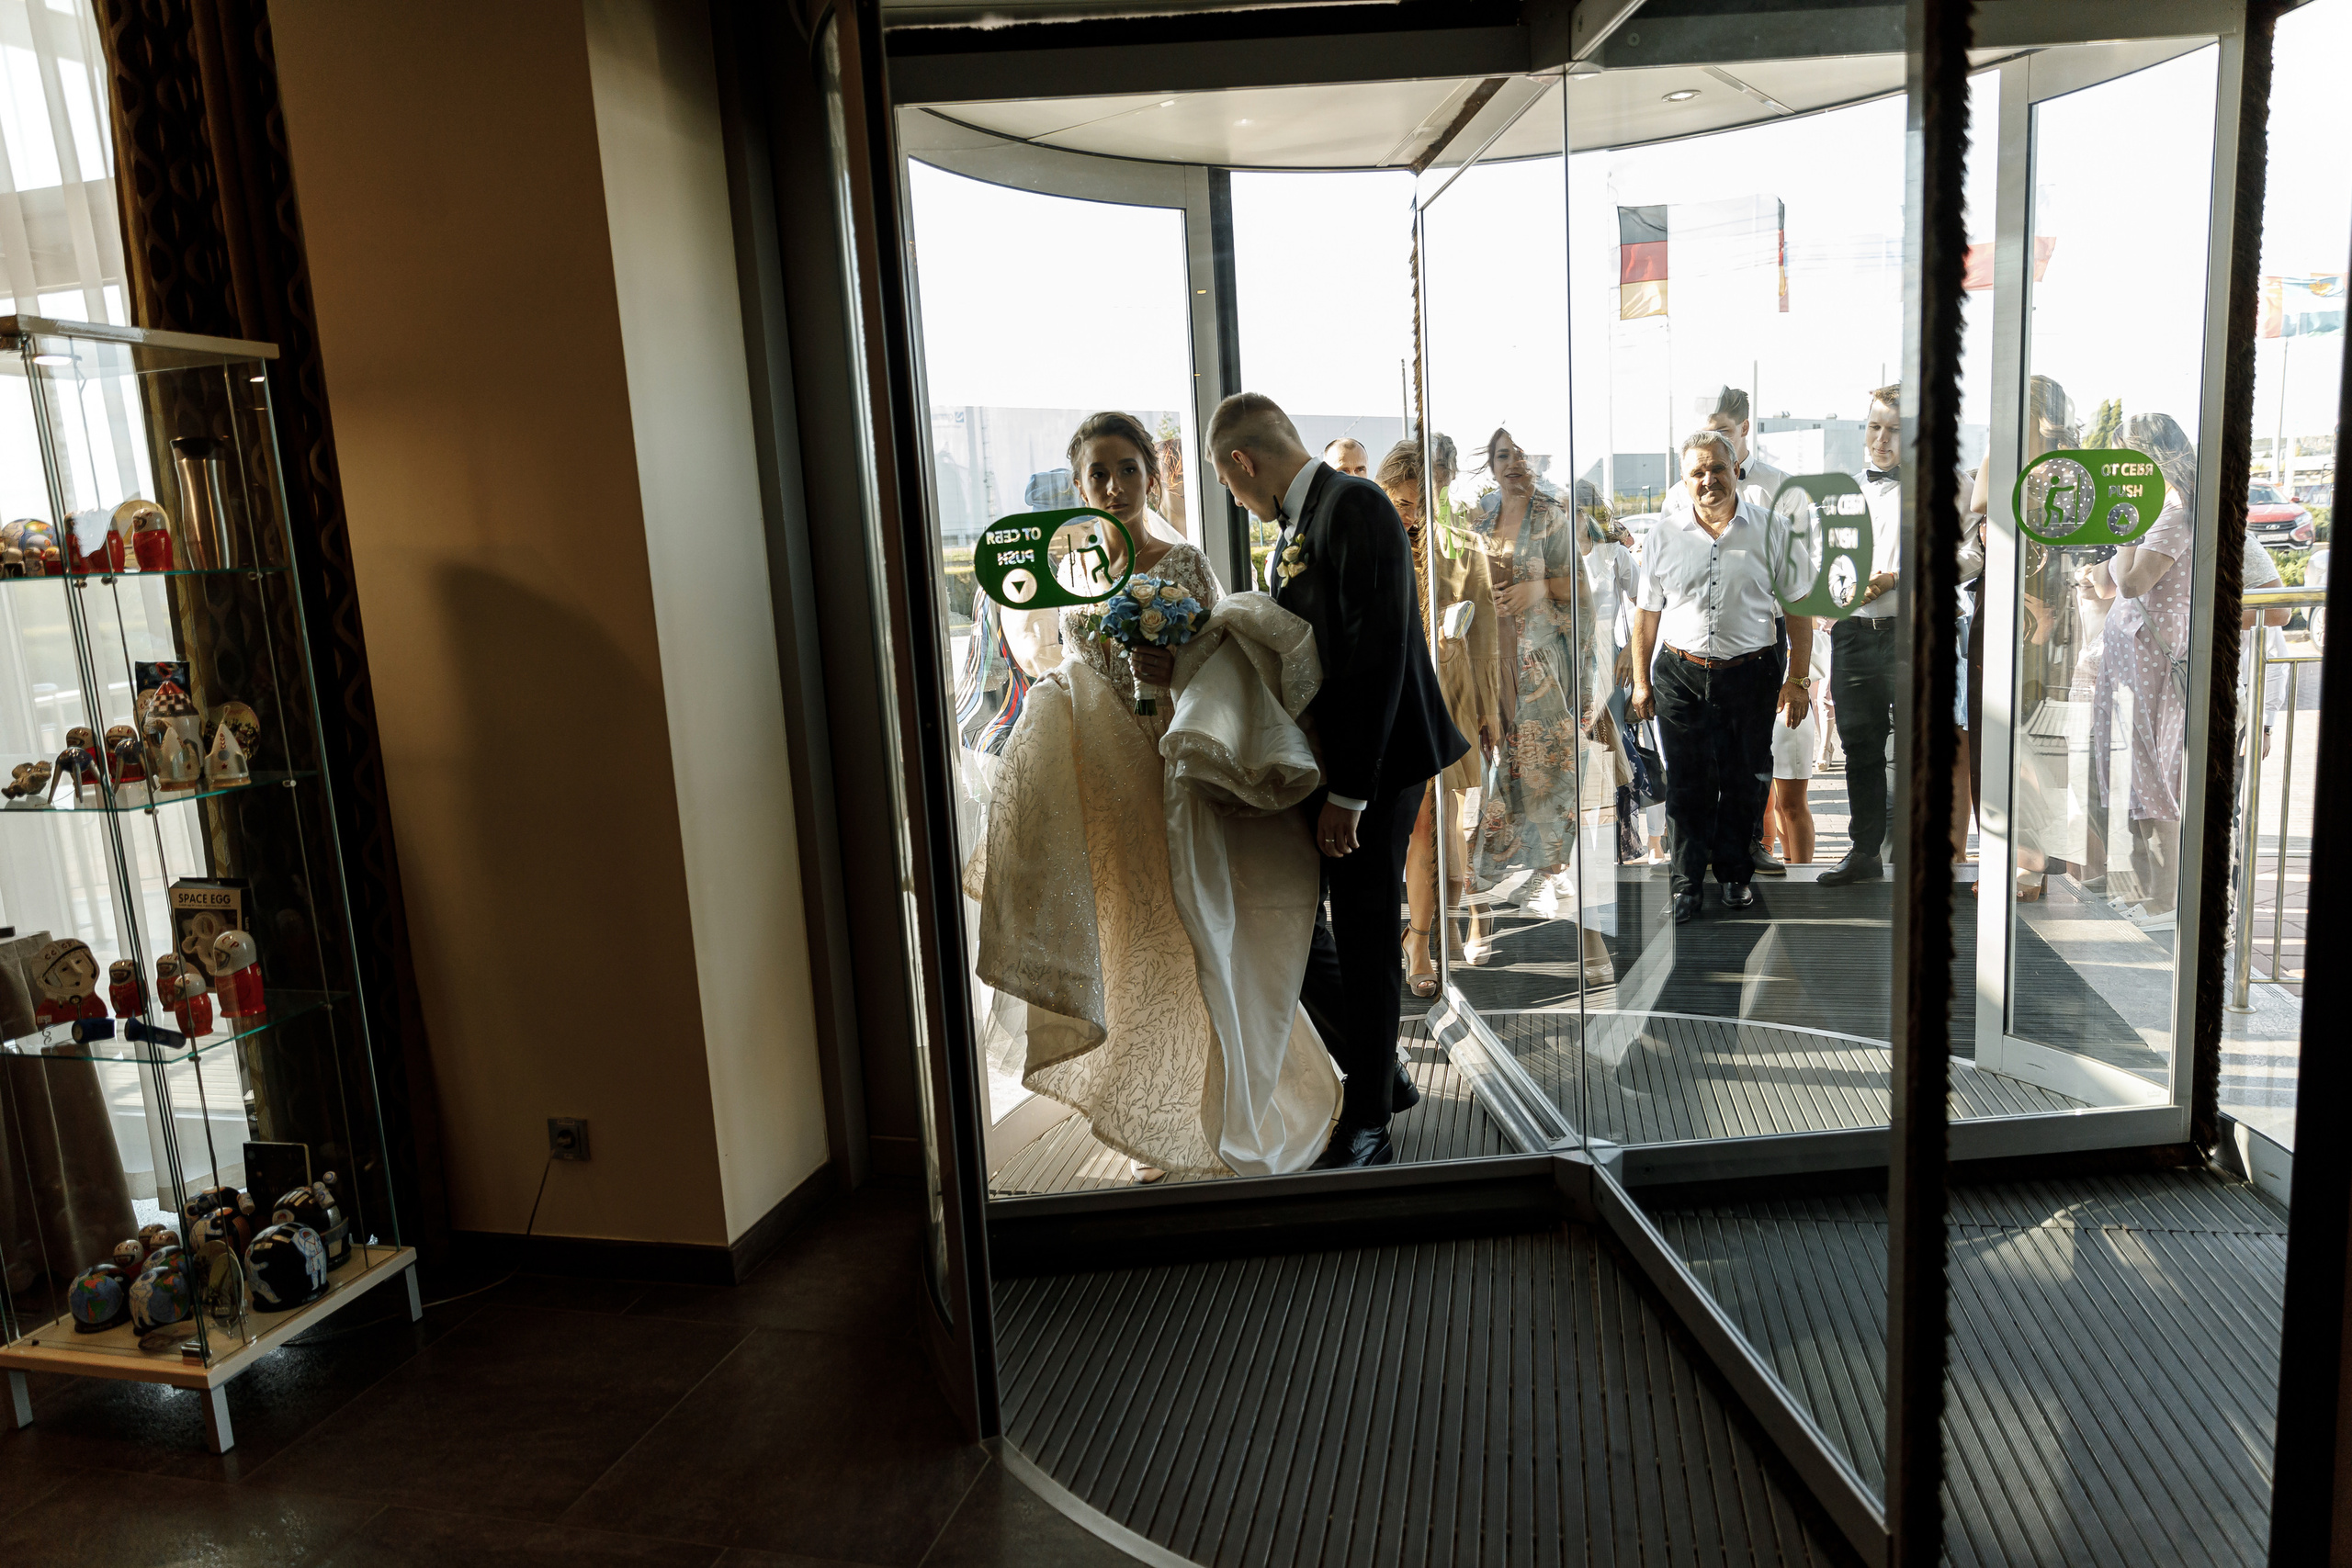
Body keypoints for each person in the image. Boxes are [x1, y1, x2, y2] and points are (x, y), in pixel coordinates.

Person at [973, 410, 1341, 1181]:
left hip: (1174, 777)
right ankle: (1155, 1123)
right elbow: (1071, 666)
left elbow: (1222, 674)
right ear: (1080, 487)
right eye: (1098, 474)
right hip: (1107, 787)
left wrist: (1173, 674)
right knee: (1129, 948)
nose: (1114, 486)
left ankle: (1221, 1117)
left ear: (1151, 475)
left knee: (1198, 942)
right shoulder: (1077, 576)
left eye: (1127, 469)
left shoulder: (1185, 564)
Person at [1210, 392, 1466, 1168]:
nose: (1233, 497)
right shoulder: (1300, 521)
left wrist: (1351, 794)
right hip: (1338, 760)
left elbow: (1377, 653)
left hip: (1380, 763)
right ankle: (1381, 1072)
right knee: (1311, 923)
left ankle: (1370, 1124)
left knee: (1364, 934)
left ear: (1242, 462)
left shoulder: (1356, 506)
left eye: (1227, 483)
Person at [2081, 412, 2289, 930]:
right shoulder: (2161, 511)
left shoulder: (2175, 513)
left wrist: (2125, 531)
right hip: (2133, 661)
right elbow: (2112, 584)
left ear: (2154, 457)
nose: (2122, 469)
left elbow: (2132, 583)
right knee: (2138, 777)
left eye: (2129, 457)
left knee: (2156, 778)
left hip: (2155, 663)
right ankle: (2155, 893)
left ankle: (2167, 900)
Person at [1627, 430, 1814, 923]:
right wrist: (1642, 682)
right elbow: (1647, 614)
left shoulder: (1773, 529)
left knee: (1744, 780)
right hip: (1680, 675)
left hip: (1751, 674)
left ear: (1735, 471)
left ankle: (1734, 876)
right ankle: (1686, 886)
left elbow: (1799, 609)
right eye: (1698, 472)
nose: (1708, 479)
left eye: (1717, 468)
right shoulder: (1663, 536)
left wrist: (1798, 680)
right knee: (1687, 784)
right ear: (1684, 481)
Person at [1468, 430, 1616, 984]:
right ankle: (1478, 916)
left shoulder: (1554, 515)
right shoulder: (1478, 522)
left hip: (1544, 677)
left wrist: (1539, 590)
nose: (1514, 463)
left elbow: (1583, 593)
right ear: (1490, 464)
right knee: (1482, 799)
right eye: (1503, 455)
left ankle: (1589, 935)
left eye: (1522, 454)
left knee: (1558, 801)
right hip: (1488, 672)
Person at [1375, 440, 1501, 996]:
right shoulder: (1370, 540)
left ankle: (1426, 936)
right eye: (1401, 502)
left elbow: (1487, 632)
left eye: (1421, 502)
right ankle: (1424, 931)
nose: (1412, 515)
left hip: (1444, 695)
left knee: (1438, 822)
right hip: (1383, 700)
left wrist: (1490, 709)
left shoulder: (1462, 546)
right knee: (1409, 827)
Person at [1818, 386, 1906, 886]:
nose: (1881, 439)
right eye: (1875, 427)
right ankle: (1865, 853)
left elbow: (1964, 557)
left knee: (1917, 748)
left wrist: (1894, 579)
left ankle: (1917, 856)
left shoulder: (1937, 491)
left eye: (1894, 429)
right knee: (1858, 745)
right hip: (1853, 633)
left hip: (1911, 634)